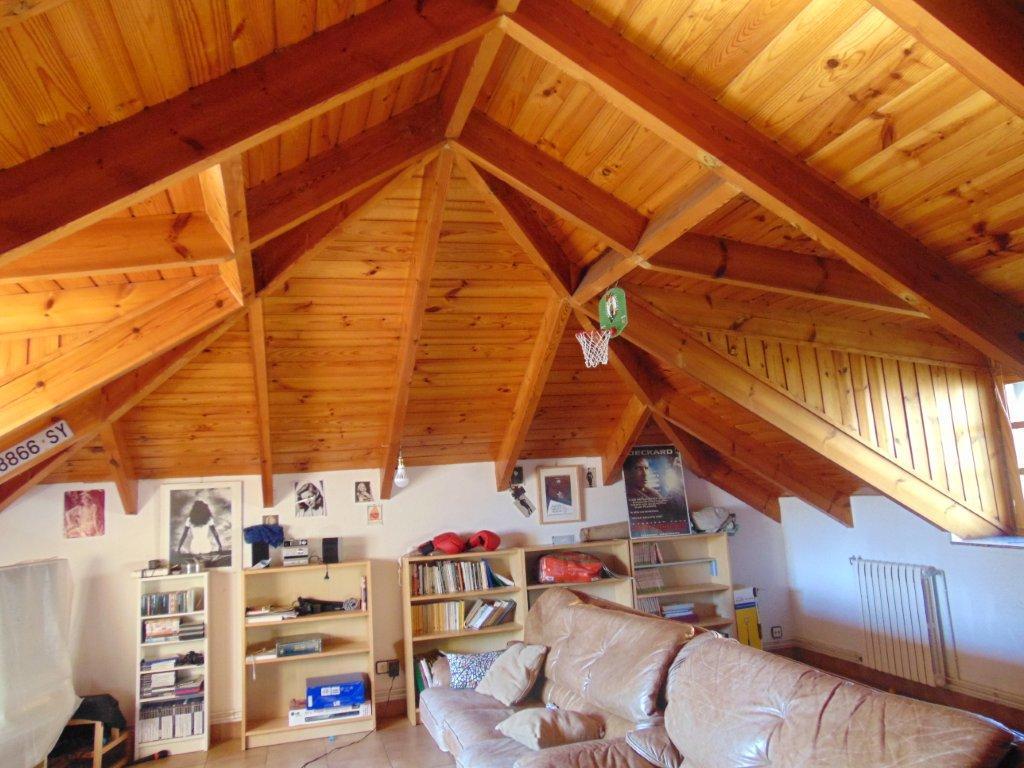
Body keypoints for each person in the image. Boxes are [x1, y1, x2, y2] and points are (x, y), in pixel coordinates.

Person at [177, 491, 224, 561]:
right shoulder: (208, 519)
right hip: (206, 546)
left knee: (197, 564)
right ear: (205, 509)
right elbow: (215, 533)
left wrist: (179, 548)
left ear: (194, 509)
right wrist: (219, 545)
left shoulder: (189, 519)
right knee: (207, 564)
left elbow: (184, 534)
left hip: (194, 546)